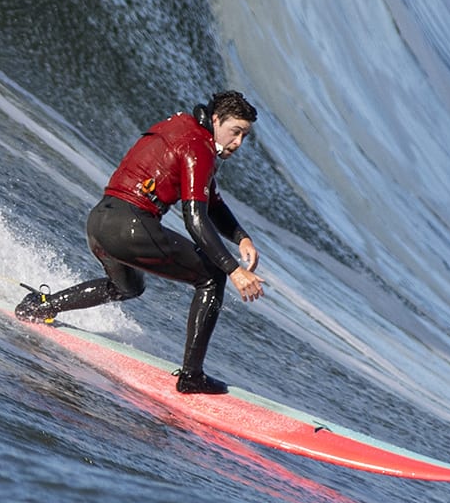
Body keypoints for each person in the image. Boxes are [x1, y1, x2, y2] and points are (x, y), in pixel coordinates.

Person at [14, 89, 267, 394]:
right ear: (216, 120)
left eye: (244, 136)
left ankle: (41, 307)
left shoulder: (181, 128)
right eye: (235, 132)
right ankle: (192, 377)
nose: (238, 143)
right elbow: (195, 219)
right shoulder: (198, 146)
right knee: (212, 276)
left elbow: (211, 203)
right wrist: (233, 270)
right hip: (130, 226)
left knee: (128, 286)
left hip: (99, 222)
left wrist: (241, 237)